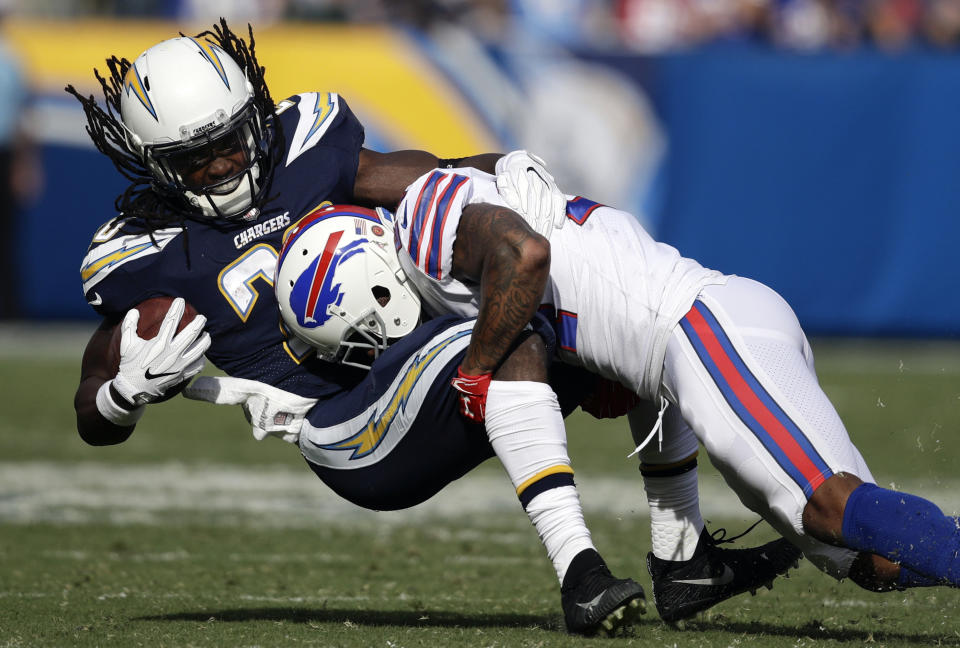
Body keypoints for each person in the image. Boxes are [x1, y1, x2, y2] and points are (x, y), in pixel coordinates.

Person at [70, 21, 791, 634]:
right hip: (350, 429)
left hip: (426, 361)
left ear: (254, 115)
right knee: (506, 328)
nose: (224, 165)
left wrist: (507, 170)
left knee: (627, 315)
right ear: (154, 166)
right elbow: (92, 404)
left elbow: (431, 177)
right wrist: (119, 396)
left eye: (231, 140)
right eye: (195, 160)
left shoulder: (306, 145)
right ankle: (581, 573)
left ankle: (683, 558)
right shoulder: (147, 250)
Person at [358, 165, 960, 598]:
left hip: (703, 331)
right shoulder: (463, 194)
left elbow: (525, 255)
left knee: (828, 506)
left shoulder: (420, 220)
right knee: (873, 561)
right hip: (699, 336)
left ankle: (684, 559)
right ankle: (684, 564)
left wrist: (475, 370)